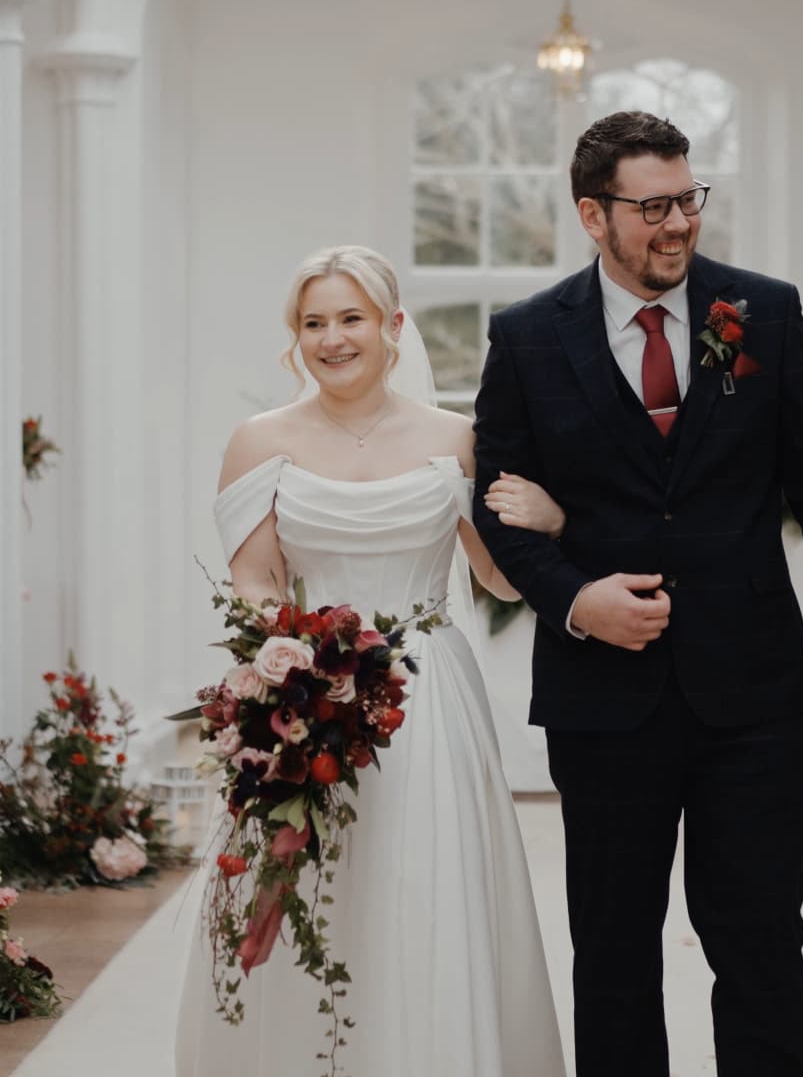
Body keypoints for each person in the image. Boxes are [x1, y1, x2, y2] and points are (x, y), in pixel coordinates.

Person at [471, 111, 803, 1077]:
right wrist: (578, 600)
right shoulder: (528, 338)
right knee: (614, 954)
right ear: (594, 215)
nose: (678, 224)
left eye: (688, 199)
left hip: (752, 692)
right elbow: (499, 507)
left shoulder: (763, 313)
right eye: (652, 207)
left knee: (760, 943)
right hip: (603, 701)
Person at [175, 245, 565, 1075]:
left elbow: (498, 578)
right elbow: (255, 579)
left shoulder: (457, 438)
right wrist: (295, 665)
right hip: (306, 697)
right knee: (318, 886)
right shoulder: (259, 441)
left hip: (428, 701)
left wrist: (552, 519)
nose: (332, 338)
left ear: (392, 326)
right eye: (313, 322)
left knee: (426, 885)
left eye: (350, 318)